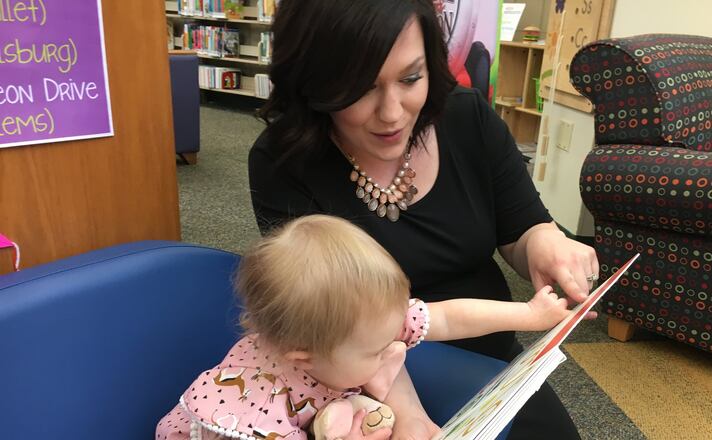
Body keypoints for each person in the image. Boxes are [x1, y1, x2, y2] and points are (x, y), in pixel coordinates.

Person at [247, 1, 600, 438]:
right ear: (316, 83)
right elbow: (331, 326)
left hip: (489, 349)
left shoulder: (467, 118)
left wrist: (546, 243)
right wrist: (409, 416)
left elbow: (522, 226)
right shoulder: (285, 163)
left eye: (411, 77)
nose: (393, 113)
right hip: (358, 371)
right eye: (360, 88)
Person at [155, 215, 587, 439]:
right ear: (304, 357)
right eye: (377, 352)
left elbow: (449, 316)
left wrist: (530, 315)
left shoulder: (357, 324)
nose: (395, 354)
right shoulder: (259, 411)